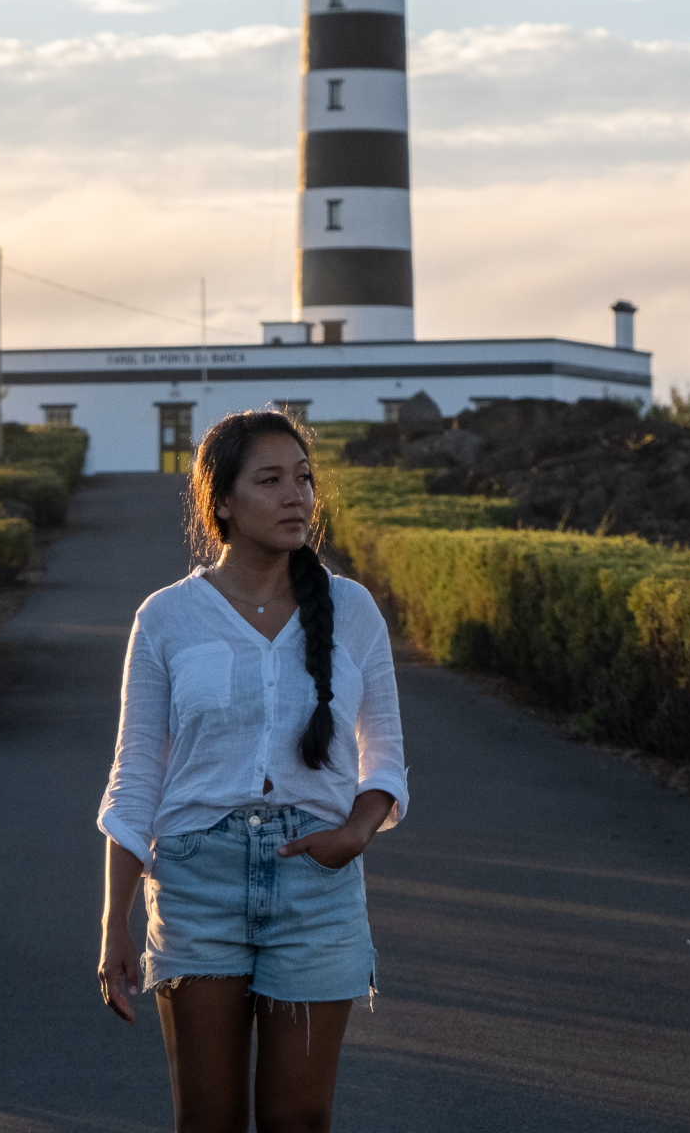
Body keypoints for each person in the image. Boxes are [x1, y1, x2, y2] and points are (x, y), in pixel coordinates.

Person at [96, 409, 409, 1133]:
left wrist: (357, 832)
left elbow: (384, 750)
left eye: (303, 478)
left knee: (299, 1117)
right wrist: (116, 925)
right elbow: (136, 775)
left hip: (317, 882)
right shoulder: (166, 618)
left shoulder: (353, 610)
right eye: (270, 480)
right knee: (209, 1120)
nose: (296, 495)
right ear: (223, 503)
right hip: (196, 881)